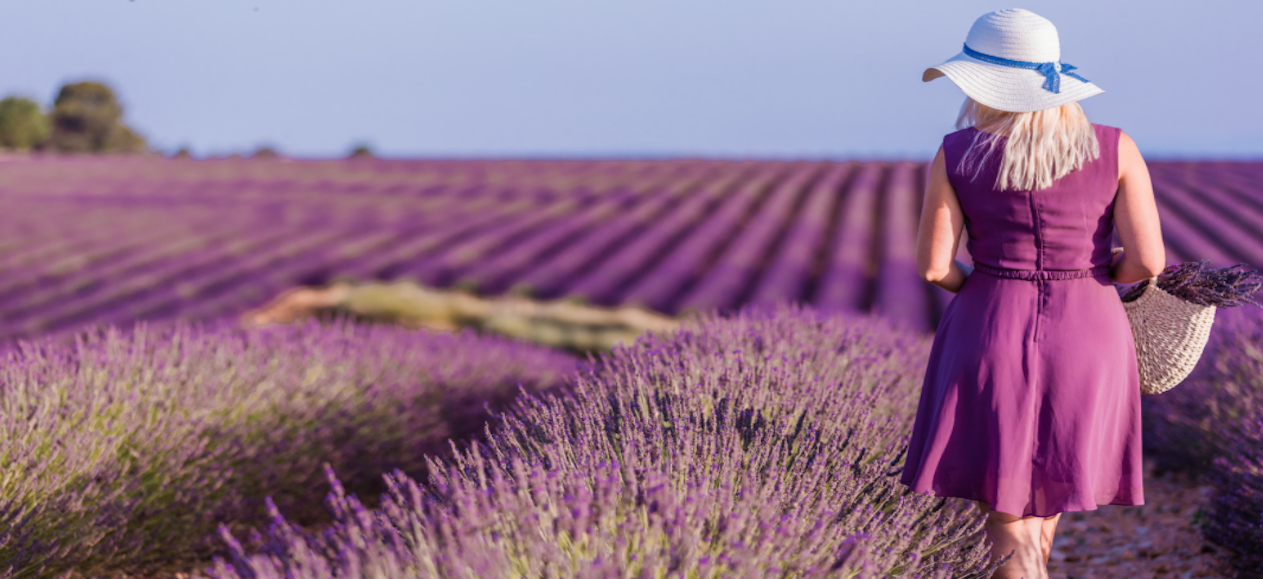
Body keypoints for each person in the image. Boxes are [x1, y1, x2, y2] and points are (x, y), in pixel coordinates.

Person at [898, 8, 1167, 579]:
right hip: (1089, 327)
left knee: (1003, 505)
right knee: (1048, 493)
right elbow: (1148, 261)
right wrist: (1100, 274)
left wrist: (982, 287)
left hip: (989, 323)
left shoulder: (957, 151)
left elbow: (931, 267)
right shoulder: (1116, 147)